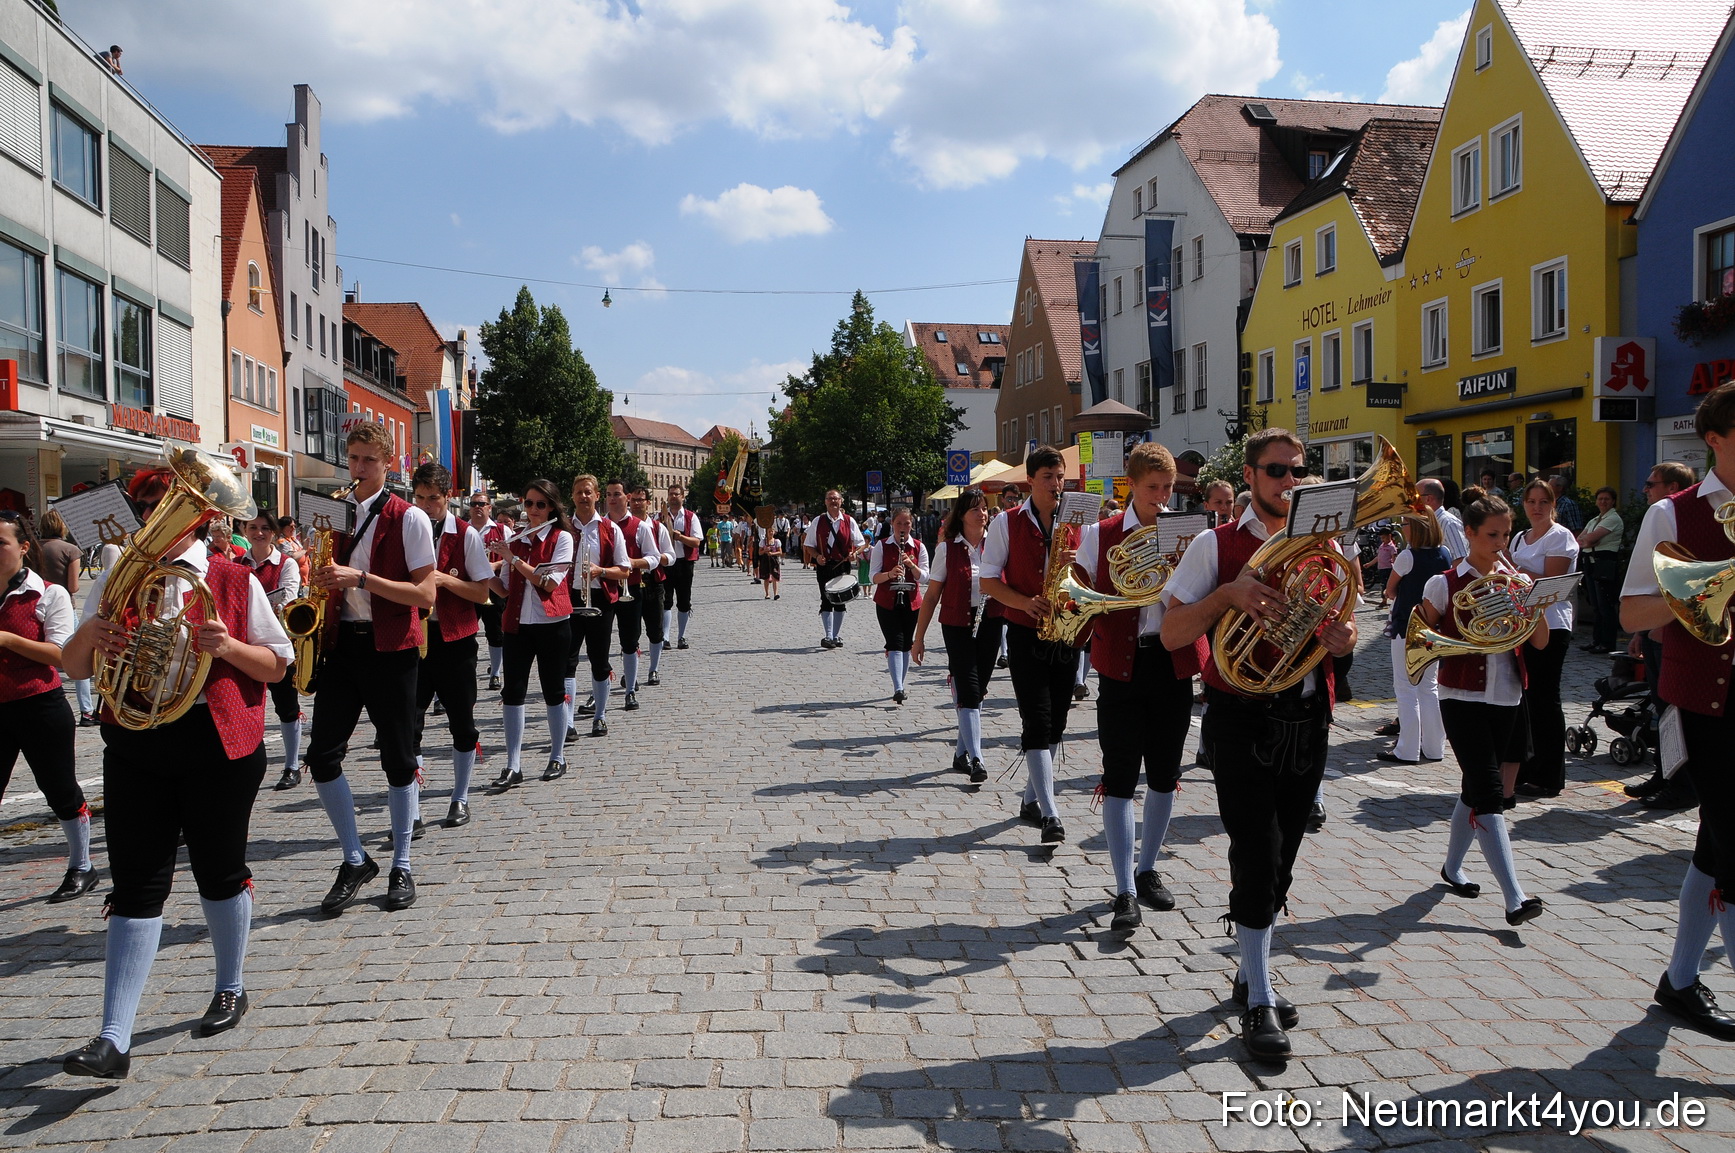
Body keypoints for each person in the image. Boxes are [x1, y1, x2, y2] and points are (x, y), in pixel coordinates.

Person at [59, 467, 292, 1078]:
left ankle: (230, 984)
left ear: (202, 513)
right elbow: (72, 663)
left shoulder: (234, 579)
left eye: (167, 502)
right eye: (148, 502)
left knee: (219, 871)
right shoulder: (118, 576)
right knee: (136, 883)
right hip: (137, 739)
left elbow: (277, 666)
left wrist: (229, 648)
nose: (155, 512)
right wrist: (93, 632)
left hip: (215, 741)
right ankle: (114, 1038)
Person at [1162, 427, 1357, 1061]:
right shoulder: (1213, 545)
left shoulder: (1326, 546)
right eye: (1277, 471)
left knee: (1286, 858)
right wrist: (1227, 596)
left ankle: (1250, 967)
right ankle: (1261, 996)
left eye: (1299, 471)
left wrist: (1343, 638)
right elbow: (1169, 634)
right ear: (1249, 477)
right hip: (1240, 716)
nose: (1290, 482)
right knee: (1259, 849)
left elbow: (1343, 622)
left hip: (1306, 718)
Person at [1620, 381, 1735, 1041]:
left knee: (1714, 846)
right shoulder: (1673, 515)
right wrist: (1705, 591)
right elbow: (1633, 612)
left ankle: (1680, 980)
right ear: (1713, 439)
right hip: (1710, 703)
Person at [303, 423, 437, 915]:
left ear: (387, 464)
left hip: (392, 647)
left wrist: (361, 577)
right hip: (343, 645)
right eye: (353, 459)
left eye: (368, 461)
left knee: (399, 759)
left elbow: (426, 595)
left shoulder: (410, 518)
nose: (358, 469)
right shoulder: (333, 512)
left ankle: (401, 861)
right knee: (321, 757)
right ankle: (354, 858)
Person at [1077, 442, 1201, 931]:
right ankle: (1124, 888)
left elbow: (1202, 594)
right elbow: (1080, 589)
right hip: (1120, 666)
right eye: (1154, 488)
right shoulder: (1102, 533)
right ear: (1131, 485)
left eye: (1169, 487)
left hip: (1172, 663)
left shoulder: (1185, 531)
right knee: (1120, 774)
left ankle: (1147, 867)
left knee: (1166, 772)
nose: (1164, 497)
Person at [1424, 495, 1549, 929]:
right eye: (1491, 535)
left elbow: (1539, 644)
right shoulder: (1445, 583)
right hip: (1460, 695)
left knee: (1473, 787)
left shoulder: (1514, 580)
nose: (1499, 544)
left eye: (1503, 535)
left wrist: (1536, 604)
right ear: (1471, 534)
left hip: (1507, 695)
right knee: (1490, 791)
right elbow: (1422, 634)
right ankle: (1515, 897)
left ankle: (1452, 868)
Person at [980, 445, 1078, 846]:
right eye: (1049, 478)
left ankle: (1030, 797)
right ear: (1031, 482)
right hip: (1024, 630)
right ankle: (1050, 814)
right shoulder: (1006, 522)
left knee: (1057, 723)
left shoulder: (1076, 519)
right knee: (1036, 721)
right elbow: (988, 580)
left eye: (1061, 477)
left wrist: (1080, 563)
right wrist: (1024, 602)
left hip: (1067, 629)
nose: (1057, 485)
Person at [0, 511, 93, 902]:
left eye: (0, 543)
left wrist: (6, 639)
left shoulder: (49, 594)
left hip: (39, 705)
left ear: (23, 548)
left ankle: (82, 866)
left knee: (59, 789)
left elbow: (60, 654)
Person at [409, 465, 494, 829]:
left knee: (462, 721)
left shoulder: (465, 535)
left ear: (447, 498)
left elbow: (482, 592)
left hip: (454, 639)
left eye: (434, 499)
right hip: (413, 638)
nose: (427, 506)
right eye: (420, 498)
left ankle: (459, 797)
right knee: (409, 724)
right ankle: (411, 805)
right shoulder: (406, 531)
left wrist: (444, 580)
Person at [487, 478, 573, 790]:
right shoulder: (517, 540)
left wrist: (511, 559)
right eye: (528, 503)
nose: (533, 510)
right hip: (517, 625)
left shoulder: (562, 538)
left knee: (552, 690)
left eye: (540, 504)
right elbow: (506, 589)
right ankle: (513, 764)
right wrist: (481, 571)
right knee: (512, 693)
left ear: (551, 507)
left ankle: (557, 755)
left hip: (552, 625)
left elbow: (548, 583)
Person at [911, 487, 999, 785]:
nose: (982, 513)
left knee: (980, 690)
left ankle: (961, 753)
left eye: (984, 508)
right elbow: (933, 594)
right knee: (969, 689)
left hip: (990, 622)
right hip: (957, 625)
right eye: (975, 508)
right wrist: (919, 638)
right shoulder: (947, 549)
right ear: (961, 515)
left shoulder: (997, 545)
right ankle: (977, 758)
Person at [1625, 461, 1699, 806]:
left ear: (1671, 487)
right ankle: (1664, 774)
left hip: (1673, 633)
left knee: (1675, 713)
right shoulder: (1661, 517)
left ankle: (1682, 786)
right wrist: (1642, 630)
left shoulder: (1684, 518)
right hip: (1655, 629)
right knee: (1661, 709)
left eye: (1651, 483)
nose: (1646, 489)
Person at [1509, 478, 1579, 800]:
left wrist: (1513, 571)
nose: (1536, 508)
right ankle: (1525, 768)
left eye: (1543, 502)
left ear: (1553, 504)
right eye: (1531, 501)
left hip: (1551, 624)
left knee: (1544, 699)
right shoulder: (1520, 538)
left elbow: (1552, 583)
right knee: (1523, 699)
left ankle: (1550, 776)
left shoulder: (1560, 536)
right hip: (1520, 624)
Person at [238, 512, 305, 791]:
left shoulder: (286, 564)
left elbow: (287, 600)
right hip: (245, 647)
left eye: (265, 528)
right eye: (253, 527)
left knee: (286, 707)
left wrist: (250, 607)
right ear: (244, 529)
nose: (259, 533)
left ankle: (291, 765)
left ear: (275, 533)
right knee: (244, 705)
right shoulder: (236, 564)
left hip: (278, 644)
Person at [566, 475, 631, 737]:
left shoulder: (610, 528)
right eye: (579, 492)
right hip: (568, 599)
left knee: (599, 659)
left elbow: (624, 570)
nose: (584, 496)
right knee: (567, 661)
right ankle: (567, 720)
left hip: (601, 599)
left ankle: (600, 715)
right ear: (572, 496)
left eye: (588, 492)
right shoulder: (563, 528)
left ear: (596, 496)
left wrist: (600, 570)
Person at [1381, 518, 1450, 764]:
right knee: (1429, 687)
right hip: (1434, 628)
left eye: (1406, 524)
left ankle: (1407, 749)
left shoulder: (1408, 556)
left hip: (1407, 626)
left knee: (1406, 687)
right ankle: (1434, 748)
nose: (1402, 528)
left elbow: (1390, 590)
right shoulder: (1444, 553)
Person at [604, 480, 661, 713]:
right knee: (601, 642)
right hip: (605, 589)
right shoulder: (600, 524)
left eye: (617, 494)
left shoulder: (640, 526)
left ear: (626, 497)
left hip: (632, 588)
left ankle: (630, 690)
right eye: (608, 495)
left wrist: (631, 563)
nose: (613, 499)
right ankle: (602, 690)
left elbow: (654, 558)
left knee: (630, 640)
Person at [36, 508, 94, 726]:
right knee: (78, 657)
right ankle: (86, 710)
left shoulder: (33, 548)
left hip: (36, 606)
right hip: (63, 608)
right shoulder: (70, 549)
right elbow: (73, 586)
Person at [868, 506, 929, 704]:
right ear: (892, 524)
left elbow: (926, 577)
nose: (903, 527)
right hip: (887, 602)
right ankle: (898, 687)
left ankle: (900, 684)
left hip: (912, 601)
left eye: (906, 523)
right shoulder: (882, 545)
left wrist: (911, 566)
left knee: (906, 644)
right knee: (894, 642)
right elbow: (873, 577)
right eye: (898, 523)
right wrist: (890, 574)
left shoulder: (918, 546)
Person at [804, 489, 866, 650]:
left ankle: (836, 635)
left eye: (836, 499)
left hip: (842, 565)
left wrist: (854, 554)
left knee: (840, 600)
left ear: (841, 501)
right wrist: (817, 556)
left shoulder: (849, 520)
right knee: (826, 599)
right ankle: (828, 635)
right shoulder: (818, 521)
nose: (833, 501)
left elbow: (861, 544)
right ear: (825, 502)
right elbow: (809, 545)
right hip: (825, 566)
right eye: (830, 499)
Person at [629, 486, 671, 684]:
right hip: (630, 584)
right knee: (630, 632)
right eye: (634, 499)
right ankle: (631, 672)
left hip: (653, 582)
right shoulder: (624, 526)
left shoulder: (657, 527)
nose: (637, 503)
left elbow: (670, 556)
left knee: (655, 630)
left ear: (648, 503)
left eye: (641, 500)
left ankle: (653, 669)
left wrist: (655, 557)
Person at [467, 494, 508, 691]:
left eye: (481, 504)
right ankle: (468, 670)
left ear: (489, 507)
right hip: (469, 586)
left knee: (495, 631)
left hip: (494, 587)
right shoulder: (463, 528)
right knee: (467, 630)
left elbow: (511, 557)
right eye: (474, 504)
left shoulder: (501, 530)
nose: (477, 507)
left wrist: (495, 564)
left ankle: (495, 673)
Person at [1578, 486, 1625, 654]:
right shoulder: (1595, 520)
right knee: (1596, 606)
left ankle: (1607, 643)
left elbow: (1589, 538)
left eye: (1607, 499)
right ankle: (1596, 640)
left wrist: (1589, 541)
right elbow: (1580, 540)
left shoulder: (1613, 519)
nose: (1603, 502)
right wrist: (1589, 541)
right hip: (1591, 564)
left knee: (1606, 606)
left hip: (1604, 564)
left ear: (1613, 501)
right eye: (1600, 498)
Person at [663, 485, 703, 650]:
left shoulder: (690, 517)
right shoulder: (660, 517)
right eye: (671, 494)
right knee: (665, 601)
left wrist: (681, 537)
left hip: (685, 562)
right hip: (666, 563)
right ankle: (665, 637)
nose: (673, 497)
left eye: (676, 494)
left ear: (682, 497)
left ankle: (682, 636)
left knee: (684, 601)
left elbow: (697, 541)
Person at [1417, 478, 1469, 562]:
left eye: (1416, 496)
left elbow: (1461, 559)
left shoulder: (1449, 523)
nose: (1412, 500)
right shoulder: (1428, 521)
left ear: (1428, 499)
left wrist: (1445, 575)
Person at [758, 518, 783, 599]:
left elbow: (780, 552)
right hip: (765, 560)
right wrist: (765, 550)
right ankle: (767, 593)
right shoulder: (763, 541)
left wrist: (772, 553)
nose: (771, 533)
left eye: (772, 531)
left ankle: (775, 593)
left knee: (775, 577)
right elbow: (759, 552)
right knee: (766, 577)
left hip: (774, 560)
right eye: (769, 531)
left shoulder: (777, 541)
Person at [1373, 528, 1398, 609]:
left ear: (1389, 536)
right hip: (1381, 568)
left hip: (1388, 568)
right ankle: (1385, 600)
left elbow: (1394, 558)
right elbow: (1378, 557)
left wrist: (1396, 568)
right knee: (1382, 584)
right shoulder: (1381, 546)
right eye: (1381, 538)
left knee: (1386, 585)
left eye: (1383, 538)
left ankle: (1385, 601)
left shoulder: (1392, 547)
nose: (1382, 540)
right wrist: (1370, 564)